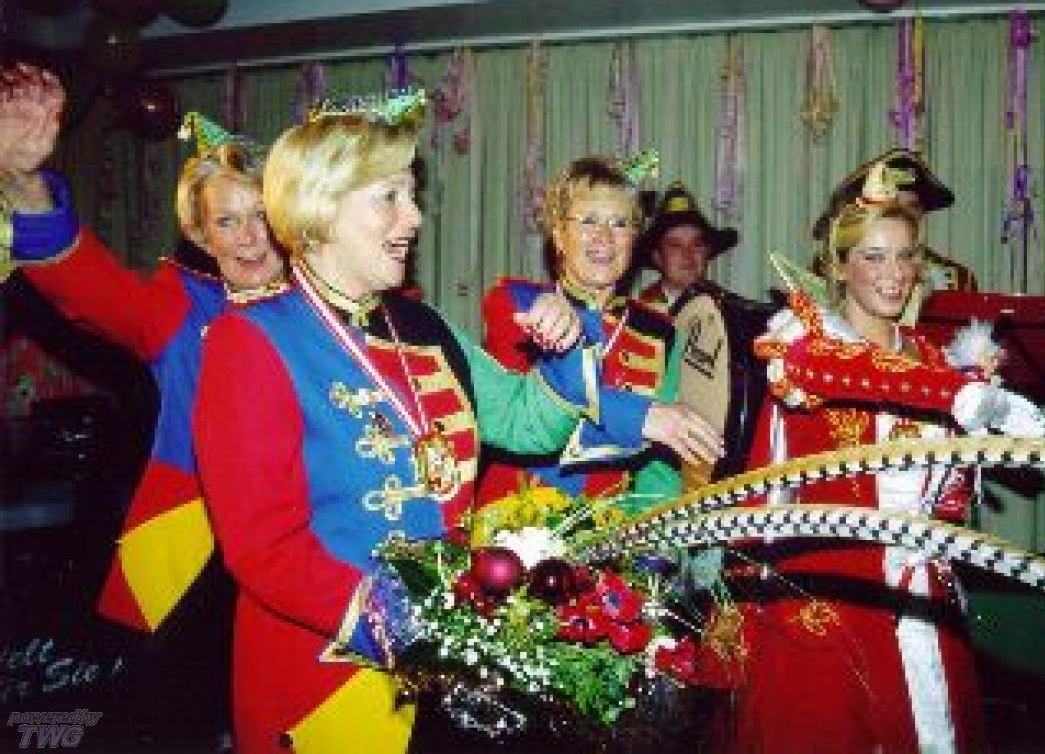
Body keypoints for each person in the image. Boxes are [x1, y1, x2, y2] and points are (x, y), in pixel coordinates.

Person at [191, 93, 721, 754]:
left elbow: (526, 423)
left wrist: (562, 355)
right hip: (326, 679)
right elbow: (262, 546)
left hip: (445, 674)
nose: (414, 217)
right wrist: (394, 618)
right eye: (390, 197)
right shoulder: (251, 339)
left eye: (412, 196)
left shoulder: (423, 324)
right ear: (322, 207)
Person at [719, 161, 1045, 754]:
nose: (894, 274)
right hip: (832, 596)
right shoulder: (804, 340)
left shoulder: (934, 356)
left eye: (905, 256)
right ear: (838, 265)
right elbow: (851, 372)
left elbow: (947, 496)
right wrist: (956, 393)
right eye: (873, 257)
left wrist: (990, 440)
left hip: (922, 595)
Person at [2, 63, 284, 749]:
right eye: (227, 221)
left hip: (301, 558)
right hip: (193, 559)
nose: (249, 238)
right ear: (202, 238)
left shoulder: (337, 313)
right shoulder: (180, 306)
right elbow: (84, 283)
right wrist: (21, 181)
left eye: (262, 217)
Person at [479, 157, 724, 515]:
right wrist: (643, 417)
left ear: (634, 240)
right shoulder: (516, 301)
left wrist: (654, 534)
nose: (604, 237)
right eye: (589, 221)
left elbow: (658, 467)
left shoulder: (660, 332)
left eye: (620, 224)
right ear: (559, 236)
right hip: (510, 523)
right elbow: (523, 412)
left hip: (609, 533)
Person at [811, 148, 977, 325]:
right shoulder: (822, 274)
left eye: (911, 208)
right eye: (874, 257)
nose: (896, 273)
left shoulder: (959, 279)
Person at [633, 180, 739, 312]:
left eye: (697, 245)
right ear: (658, 257)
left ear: (707, 252)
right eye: (676, 246)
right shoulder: (638, 315)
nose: (688, 255)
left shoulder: (728, 310)